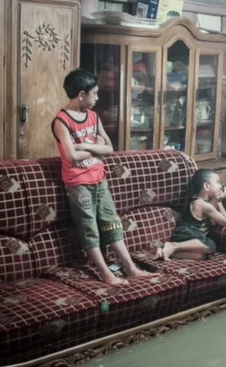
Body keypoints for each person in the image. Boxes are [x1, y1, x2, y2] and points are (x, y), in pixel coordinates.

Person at [52, 69, 157, 285]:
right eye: (95, 93)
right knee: (89, 227)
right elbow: (72, 157)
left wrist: (83, 145)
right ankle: (106, 274)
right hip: (78, 183)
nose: (97, 98)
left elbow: (109, 148)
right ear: (82, 94)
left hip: (100, 179)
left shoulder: (93, 116)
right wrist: (93, 146)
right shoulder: (61, 121)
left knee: (111, 222)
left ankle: (131, 268)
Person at [155, 169, 226, 261]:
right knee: (211, 245)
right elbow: (225, 221)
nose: (220, 186)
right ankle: (173, 245)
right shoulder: (203, 205)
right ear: (206, 186)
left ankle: (163, 251)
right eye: (217, 182)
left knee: (200, 256)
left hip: (188, 236)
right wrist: (219, 202)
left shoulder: (198, 201)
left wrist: (216, 201)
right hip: (188, 235)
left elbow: (211, 210)